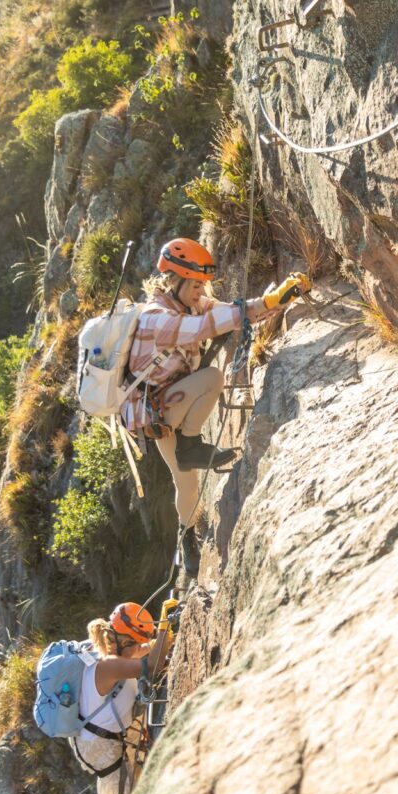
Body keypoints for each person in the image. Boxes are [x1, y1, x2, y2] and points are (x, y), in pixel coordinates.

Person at [122, 237, 311, 576]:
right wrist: (261, 303)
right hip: (158, 413)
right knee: (211, 379)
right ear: (175, 281)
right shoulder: (156, 317)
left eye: (202, 285)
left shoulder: (191, 305)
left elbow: (230, 313)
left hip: (171, 403)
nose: (200, 291)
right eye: (195, 284)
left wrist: (277, 299)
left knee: (188, 485)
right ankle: (191, 450)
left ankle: (185, 531)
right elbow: (202, 328)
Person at [68, 601, 174, 794]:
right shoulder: (109, 665)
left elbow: (146, 652)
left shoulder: (109, 648)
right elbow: (153, 665)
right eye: (137, 645)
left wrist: (158, 641)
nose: (140, 648)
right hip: (105, 756)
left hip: (107, 741)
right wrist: (165, 624)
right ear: (125, 641)